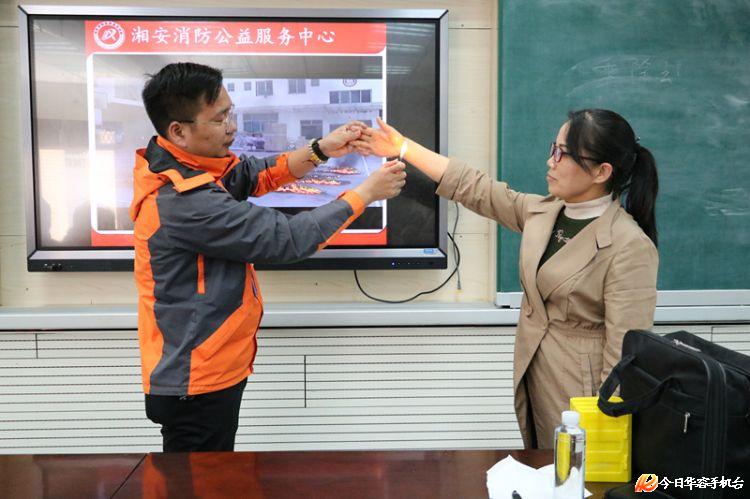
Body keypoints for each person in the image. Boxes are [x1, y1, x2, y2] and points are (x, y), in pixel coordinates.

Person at [131, 62, 406, 452]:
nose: (232, 127)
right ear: (178, 131)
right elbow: (289, 239)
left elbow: (251, 175)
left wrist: (321, 149)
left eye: (231, 113)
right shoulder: (182, 201)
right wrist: (366, 193)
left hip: (209, 366)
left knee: (211, 475)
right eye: (220, 119)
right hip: (196, 379)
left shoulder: (186, 166)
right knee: (200, 479)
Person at [354, 110, 659, 449]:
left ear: (602, 172)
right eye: (553, 148)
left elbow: (625, 358)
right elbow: (476, 188)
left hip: (582, 396)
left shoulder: (629, 245)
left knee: (575, 474)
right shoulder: (547, 211)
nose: (551, 161)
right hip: (536, 376)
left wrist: (605, 431)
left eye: (563, 154)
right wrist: (402, 146)